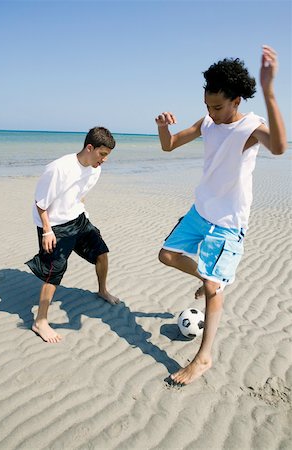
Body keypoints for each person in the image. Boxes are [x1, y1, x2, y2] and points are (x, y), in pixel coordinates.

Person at [155, 45, 287, 385]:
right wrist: (162, 126)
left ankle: (204, 357)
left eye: (217, 106)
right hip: (200, 211)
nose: (211, 113)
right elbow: (168, 146)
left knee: (215, 290)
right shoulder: (208, 123)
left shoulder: (250, 128)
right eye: (207, 105)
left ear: (236, 100)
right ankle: (208, 277)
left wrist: (270, 92)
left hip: (227, 223)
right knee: (166, 255)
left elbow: (279, 147)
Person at [26, 126, 120, 344]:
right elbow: (40, 204)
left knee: (102, 253)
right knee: (54, 271)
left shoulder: (95, 169)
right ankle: (40, 321)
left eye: (107, 156)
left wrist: (84, 216)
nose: (104, 160)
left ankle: (102, 290)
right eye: (102, 154)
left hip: (78, 219)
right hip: (54, 224)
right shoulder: (59, 169)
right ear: (90, 147)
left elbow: (79, 195)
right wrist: (47, 231)